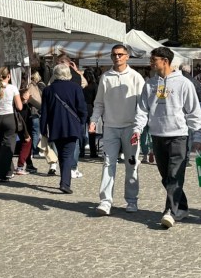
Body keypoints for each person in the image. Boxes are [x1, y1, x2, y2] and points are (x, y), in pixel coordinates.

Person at [131, 46, 201, 229]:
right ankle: (182, 207)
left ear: (165, 60)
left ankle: (170, 211)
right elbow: (142, 109)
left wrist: (198, 136)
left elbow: (194, 111)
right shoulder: (150, 84)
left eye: (153, 59)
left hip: (178, 135)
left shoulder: (184, 83)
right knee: (166, 176)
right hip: (157, 135)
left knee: (174, 174)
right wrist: (137, 130)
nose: (150, 62)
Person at [90, 44, 145, 215]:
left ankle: (132, 200)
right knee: (108, 163)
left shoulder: (136, 77)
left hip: (130, 127)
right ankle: (105, 201)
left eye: (120, 54)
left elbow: (142, 106)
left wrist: (139, 128)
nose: (117, 57)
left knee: (132, 164)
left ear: (127, 56)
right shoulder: (106, 77)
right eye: (114, 54)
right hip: (110, 127)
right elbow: (99, 102)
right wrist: (94, 120)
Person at [42, 64, 88, 194]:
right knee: (67, 155)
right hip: (72, 126)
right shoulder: (76, 88)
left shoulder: (48, 90)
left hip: (55, 127)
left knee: (63, 155)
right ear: (68, 74)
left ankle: (64, 181)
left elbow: (44, 112)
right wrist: (82, 123)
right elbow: (82, 109)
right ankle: (65, 184)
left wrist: (43, 129)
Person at [0, 67, 24, 182]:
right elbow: (19, 107)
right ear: (8, 76)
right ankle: (0, 174)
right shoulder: (13, 88)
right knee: (8, 147)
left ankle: (8, 171)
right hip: (9, 118)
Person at [82, 67, 99, 158]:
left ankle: (81, 151)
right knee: (92, 132)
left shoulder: (82, 85)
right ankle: (93, 152)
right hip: (91, 109)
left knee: (81, 131)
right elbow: (96, 100)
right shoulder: (94, 85)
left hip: (81, 109)